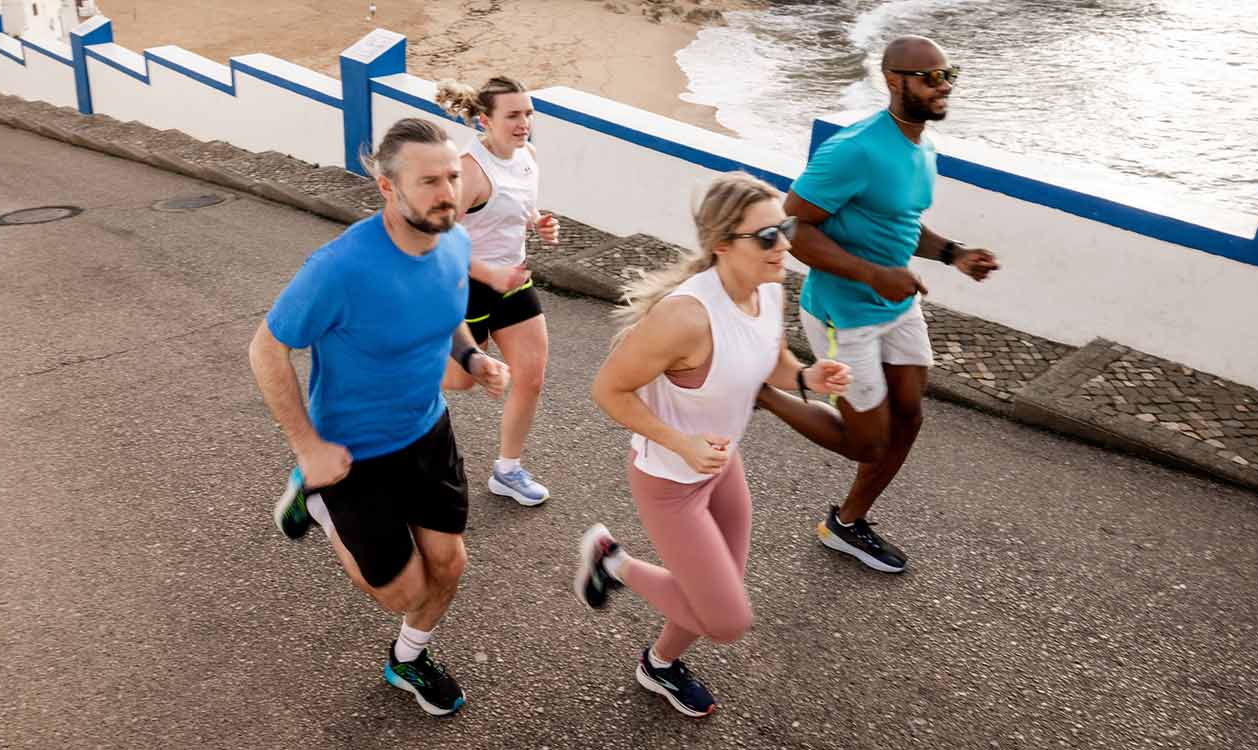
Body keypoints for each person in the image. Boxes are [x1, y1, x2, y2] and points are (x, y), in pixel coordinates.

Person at [251, 117, 510, 717]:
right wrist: (308, 447)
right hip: (353, 453)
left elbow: (447, 315)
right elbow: (266, 349)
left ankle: (408, 660)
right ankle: (314, 495)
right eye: (428, 182)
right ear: (388, 188)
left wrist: (473, 357)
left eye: (451, 177)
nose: (447, 193)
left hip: (428, 431)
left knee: (449, 566)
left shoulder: (456, 242)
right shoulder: (339, 268)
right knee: (401, 591)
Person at [573, 174, 845, 718]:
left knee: (716, 588)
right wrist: (682, 444)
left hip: (722, 466)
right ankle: (612, 561)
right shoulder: (685, 316)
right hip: (670, 482)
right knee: (725, 618)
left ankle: (660, 665)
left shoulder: (768, 289)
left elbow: (769, 356)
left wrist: (808, 378)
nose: (785, 246)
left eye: (785, 230)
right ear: (722, 244)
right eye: (767, 237)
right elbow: (608, 389)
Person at [774, 35, 1001, 575]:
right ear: (894, 80)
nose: (943, 86)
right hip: (844, 311)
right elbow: (791, 226)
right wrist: (874, 274)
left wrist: (952, 253)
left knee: (910, 415)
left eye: (950, 74)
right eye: (931, 77)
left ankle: (846, 525)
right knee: (868, 442)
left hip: (895, 305)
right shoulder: (854, 149)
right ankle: (763, 390)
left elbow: (898, 220)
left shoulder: (922, 145)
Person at [443, 77, 569, 508]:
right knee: (460, 382)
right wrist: (488, 274)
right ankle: (398, 373)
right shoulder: (468, 170)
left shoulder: (528, 157)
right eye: (513, 115)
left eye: (528, 114)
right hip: (466, 288)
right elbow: (436, 241)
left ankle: (508, 470)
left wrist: (538, 223)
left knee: (531, 377)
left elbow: (515, 207)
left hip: (513, 282)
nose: (524, 123)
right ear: (485, 119)